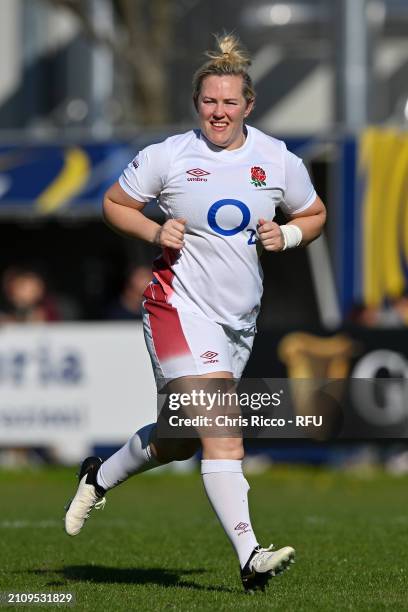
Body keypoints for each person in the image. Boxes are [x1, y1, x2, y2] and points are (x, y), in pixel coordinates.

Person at [64, 34, 326, 593]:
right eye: (210, 101)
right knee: (223, 427)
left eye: (230, 102)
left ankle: (99, 475)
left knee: (182, 437)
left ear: (248, 106)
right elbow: (114, 204)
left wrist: (291, 234)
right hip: (177, 307)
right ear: (197, 104)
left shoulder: (277, 159)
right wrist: (157, 228)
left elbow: (315, 212)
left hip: (239, 320)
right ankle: (249, 555)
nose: (219, 112)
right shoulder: (169, 156)